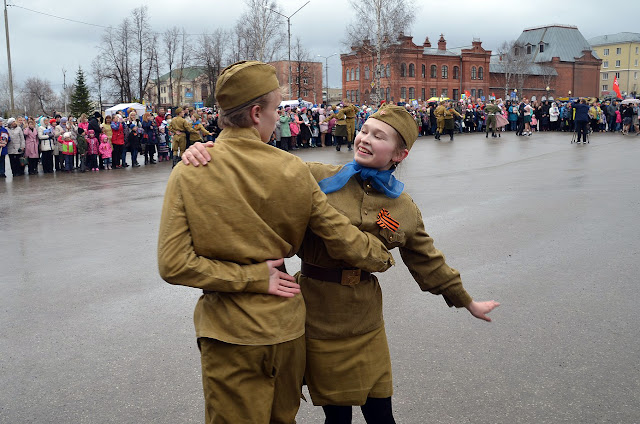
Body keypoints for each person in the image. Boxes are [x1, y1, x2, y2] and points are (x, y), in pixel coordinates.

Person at [183, 104, 500, 424]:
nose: (364, 138)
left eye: (378, 136)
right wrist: (212, 150)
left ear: (399, 154)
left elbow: (429, 261)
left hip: (366, 320)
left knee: (382, 416)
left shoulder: (403, 206)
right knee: (338, 419)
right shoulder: (317, 176)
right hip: (318, 315)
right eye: (364, 130)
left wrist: (466, 301)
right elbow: (259, 166)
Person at [157, 60, 395, 424]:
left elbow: (173, 265)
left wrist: (251, 278)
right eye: (275, 109)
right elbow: (343, 238)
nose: (276, 117)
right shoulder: (293, 171)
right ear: (256, 113)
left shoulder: (190, 171)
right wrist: (382, 257)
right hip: (285, 330)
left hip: (229, 332)